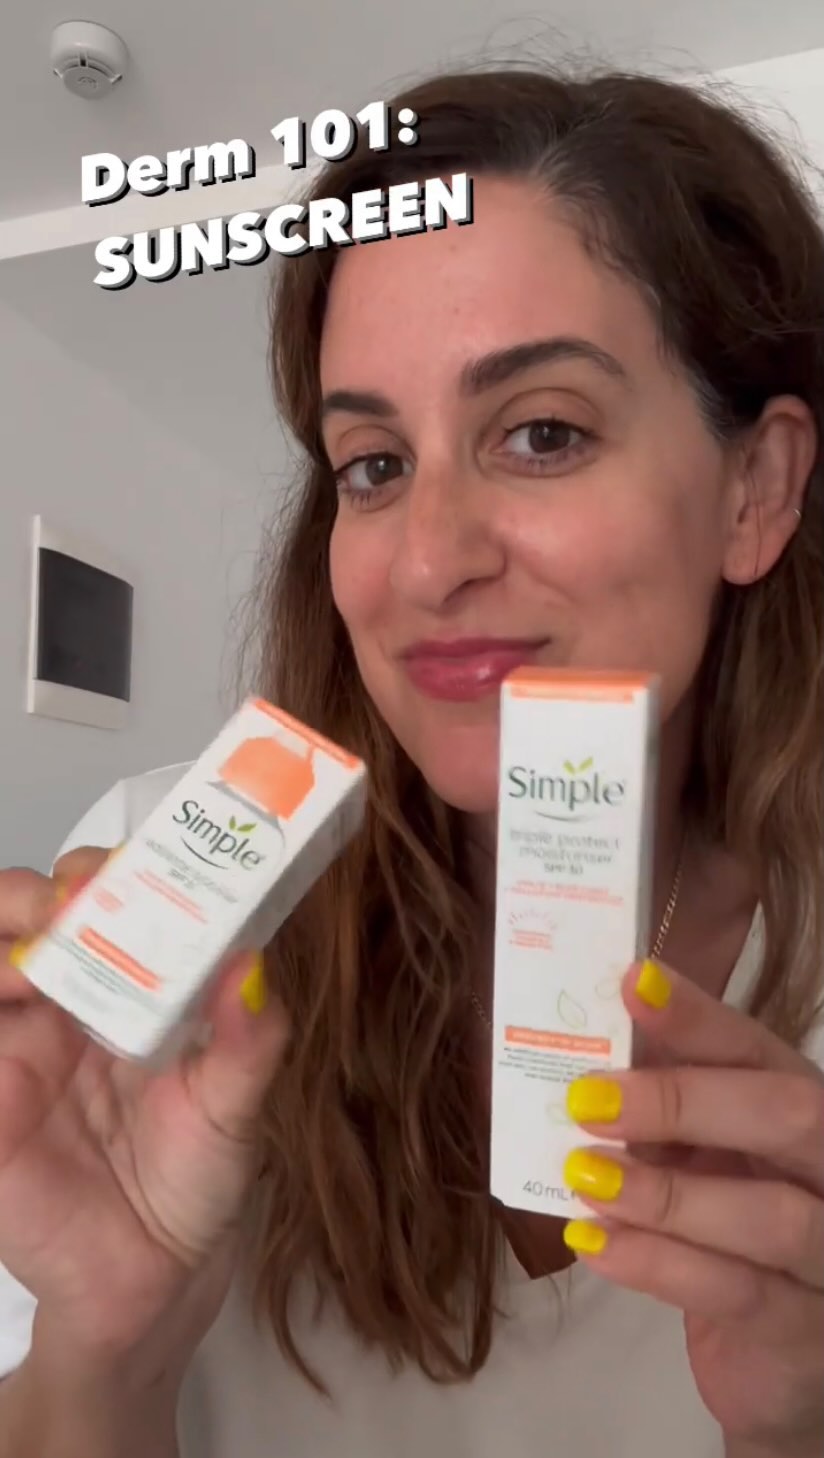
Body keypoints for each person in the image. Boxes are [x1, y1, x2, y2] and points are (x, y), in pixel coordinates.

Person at [1, 62, 823, 1458]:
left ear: (756, 490)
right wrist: (105, 1348)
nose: (428, 563)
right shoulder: (161, 898)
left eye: (542, 433)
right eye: (374, 464)